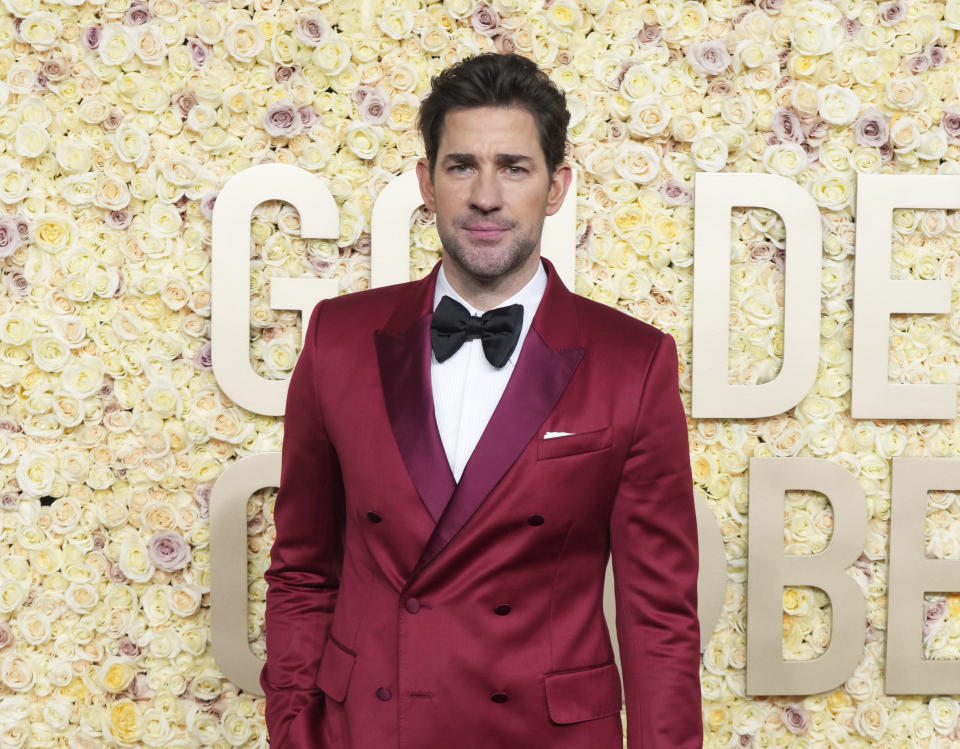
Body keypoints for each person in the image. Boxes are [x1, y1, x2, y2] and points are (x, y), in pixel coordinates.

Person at [261, 52, 701, 749]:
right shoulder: (339, 340)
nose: (486, 196)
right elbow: (303, 568)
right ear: (426, 183)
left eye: (514, 168)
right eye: (461, 165)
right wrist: (292, 727)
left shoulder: (633, 361)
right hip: (369, 730)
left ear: (555, 187)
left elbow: (660, 617)